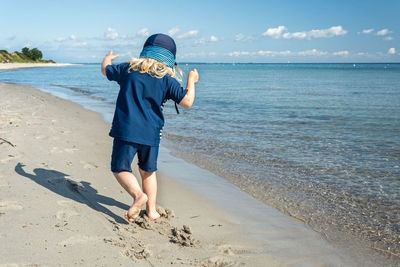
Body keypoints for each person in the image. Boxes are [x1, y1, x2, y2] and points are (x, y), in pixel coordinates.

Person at [101, 33, 198, 222]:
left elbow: (106, 70)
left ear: (144, 52)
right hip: (152, 133)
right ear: (170, 60)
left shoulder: (128, 68)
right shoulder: (167, 79)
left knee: (120, 168)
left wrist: (107, 59)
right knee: (148, 171)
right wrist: (191, 80)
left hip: (126, 130)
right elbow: (187, 101)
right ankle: (151, 211)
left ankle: (138, 195)